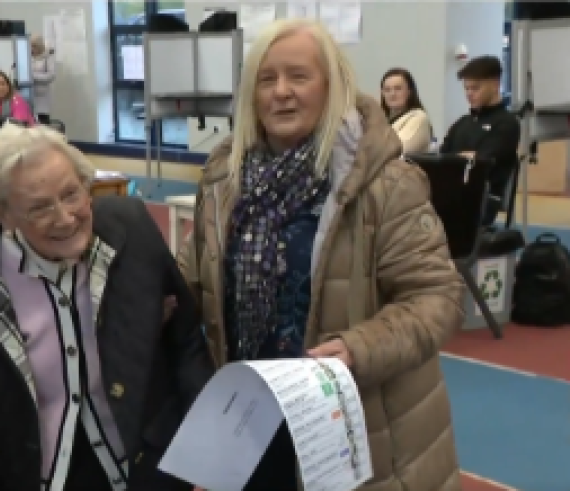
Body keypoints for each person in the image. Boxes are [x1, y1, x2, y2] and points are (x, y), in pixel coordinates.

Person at [179, 19, 464, 491]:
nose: (282, 92)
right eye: (267, 79)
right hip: (254, 425)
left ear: (332, 87)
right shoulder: (223, 182)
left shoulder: (386, 184)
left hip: (362, 431)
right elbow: (195, 278)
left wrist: (359, 348)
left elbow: (437, 297)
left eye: (299, 76)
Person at [0, 123, 213, 491]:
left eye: (71, 194)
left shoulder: (133, 231)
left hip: (150, 469)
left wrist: (203, 446)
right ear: (5, 215)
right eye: (40, 208)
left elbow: (186, 341)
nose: (65, 218)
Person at [440, 55, 520, 226]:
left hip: (481, 200)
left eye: (475, 88)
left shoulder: (507, 124)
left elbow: (481, 162)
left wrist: (460, 158)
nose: (469, 93)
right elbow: (442, 157)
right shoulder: (462, 123)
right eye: (466, 88)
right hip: (452, 193)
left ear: (495, 85)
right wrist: (462, 157)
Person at [380, 67, 432, 154]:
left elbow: (396, 150)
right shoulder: (382, 120)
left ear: (409, 91)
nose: (392, 94)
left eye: (398, 88)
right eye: (387, 90)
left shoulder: (418, 117)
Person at [31, 34, 56, 125]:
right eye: (30, 46)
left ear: (40, 46)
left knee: (43, 122)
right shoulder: (28, 56)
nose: (32, 49)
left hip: (42, 97)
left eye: (34, 46)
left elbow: (51, 76)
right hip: (30, 94)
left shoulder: (48, 56)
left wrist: (33, 76)